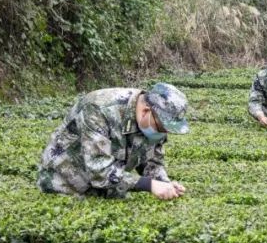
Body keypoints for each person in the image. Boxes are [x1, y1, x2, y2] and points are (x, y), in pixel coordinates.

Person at [37, 83, 189, 200]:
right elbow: (99, 171)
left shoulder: (155, 122)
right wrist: (148, 185)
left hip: (107, 189)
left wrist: (164, 183)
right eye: (162, 126)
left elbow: (152, 161)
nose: (163, 133)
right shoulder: (98, 109)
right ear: (146, 111)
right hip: (66, 187)